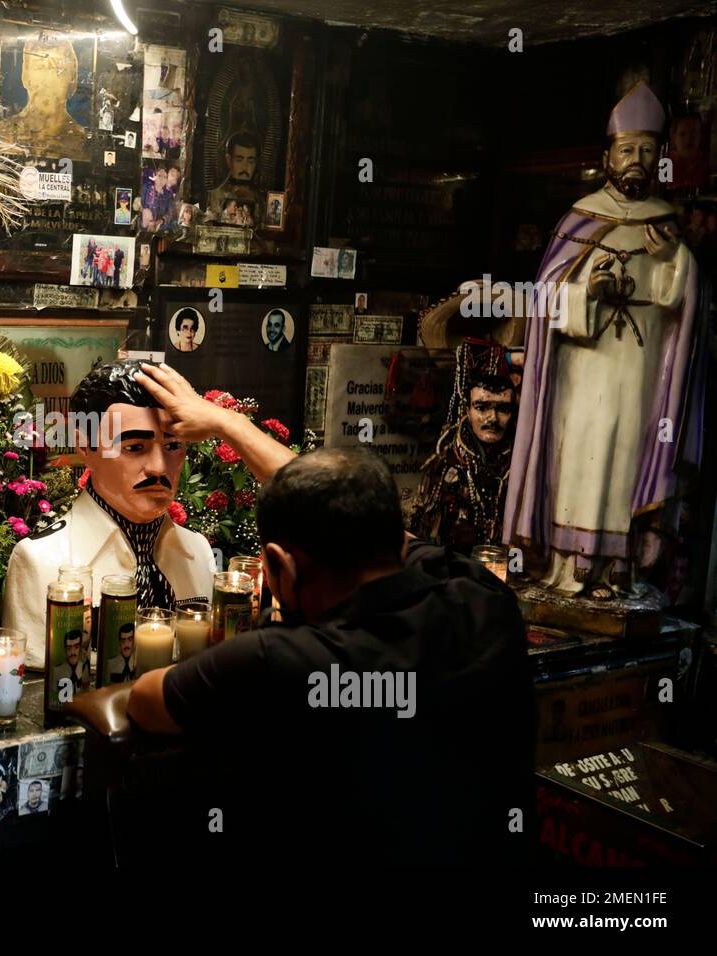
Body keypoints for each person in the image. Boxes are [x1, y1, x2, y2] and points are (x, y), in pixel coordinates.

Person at [125, 363, 533, 866]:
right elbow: (346, 512)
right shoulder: (484, 600)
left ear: (277, 567)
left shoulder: (284, 661)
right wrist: (225, 422)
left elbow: (145, 700)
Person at [504, 83, 702, 599]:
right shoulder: (580, 218)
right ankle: (571, 566)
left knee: (628, 459)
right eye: (627, 150)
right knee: (581, 457)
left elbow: (684, 304)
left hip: (641, 369)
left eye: (646, 150)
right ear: (607, 156)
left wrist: (673, 263)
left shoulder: (666, 223)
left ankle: (622, 566)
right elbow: (545, 294)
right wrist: (586, 293)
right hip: (583, 369)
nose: (636, 160)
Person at [3, 362, 214, 669]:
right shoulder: (41, 561)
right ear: (84, 446)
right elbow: (38, 694)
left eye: (172, 445)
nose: (158, 467)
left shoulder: (197, 551)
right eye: (134, 447)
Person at [410, 342, 517, 552]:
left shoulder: (522, 467)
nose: (492, 419)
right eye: (482, 407)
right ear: (466, 410)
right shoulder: (448, 465)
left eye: (502, 409)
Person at [206, 130, 262, 225]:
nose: (245, 167)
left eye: (250, 161)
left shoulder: (261, 199)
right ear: (229, 160)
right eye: (239, 160)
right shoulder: (216, 196)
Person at [51, 629, 87, 697]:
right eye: (69, 648)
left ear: (80, 648)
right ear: (65, 650)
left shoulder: (84, 668)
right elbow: (55, 694)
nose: (72, 652)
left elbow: (87, 689)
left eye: (76, 647)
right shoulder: (57, 670)